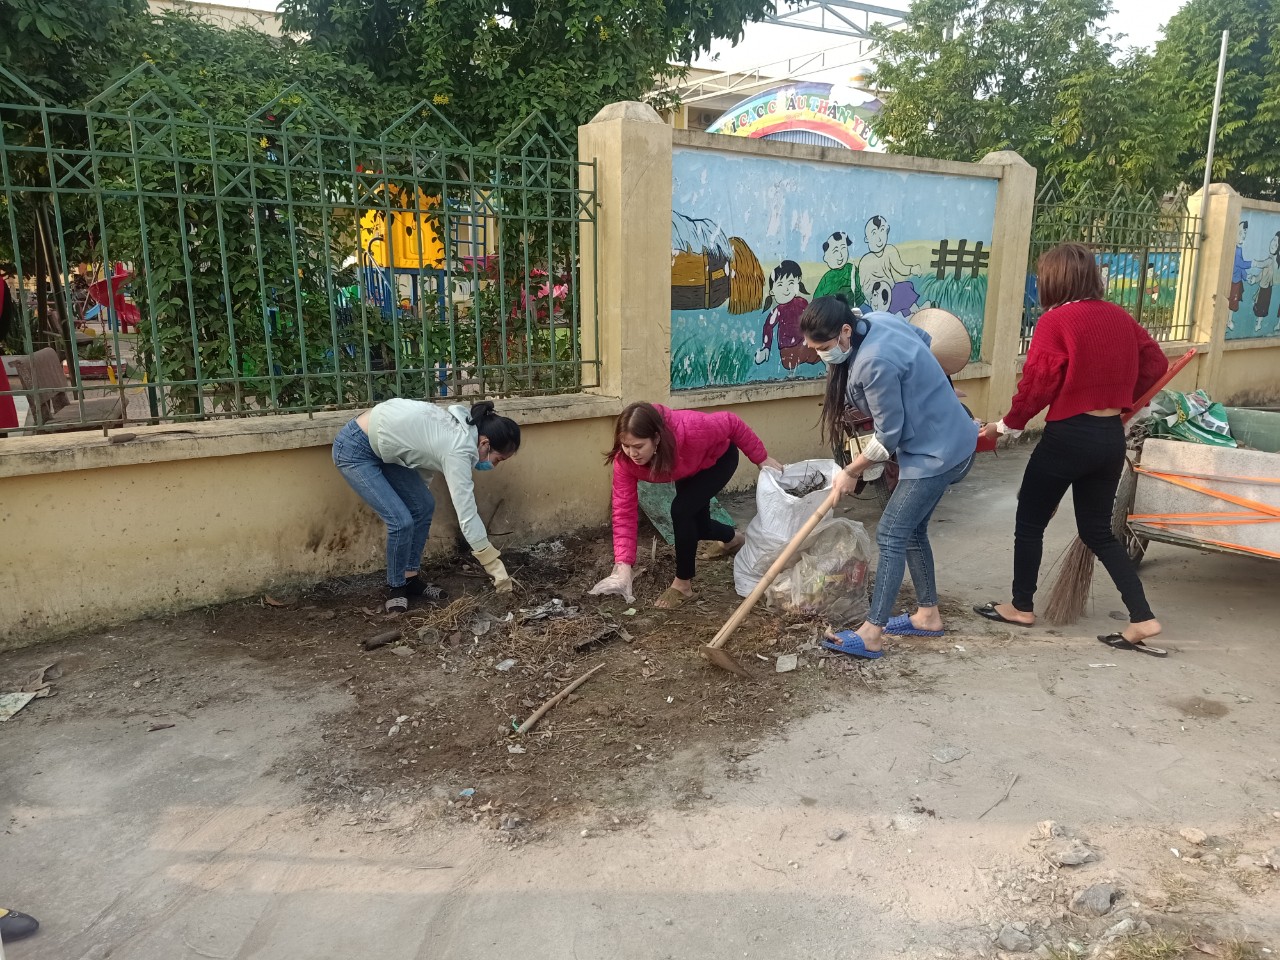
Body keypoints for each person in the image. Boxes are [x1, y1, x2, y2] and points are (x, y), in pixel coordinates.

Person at [975, 242, 1169, 657]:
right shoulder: (1121, 317)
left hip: (1068, 437)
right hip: (1109, 438)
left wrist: (1007, 425)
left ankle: (1021, 606)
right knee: (1097, 531)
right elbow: (1156, 364)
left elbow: (1038, 383)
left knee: (1030, 520)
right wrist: (1123, 402)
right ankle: (1142, 617)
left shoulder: (1055, 321)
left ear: (1054, 280)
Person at [801, 296, 978, 659]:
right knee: (911, 530)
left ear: (845, 331)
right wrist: (925, 392)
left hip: (938, 453)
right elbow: (923, 342)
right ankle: (927, 616)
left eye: (823, 347)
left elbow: (887, 437)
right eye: (814, 347)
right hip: (947, 436)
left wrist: (851, 471)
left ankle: (872, 632)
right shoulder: (878, 320)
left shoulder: (873, 362)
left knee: (892, 533)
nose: (820, 354)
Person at [589, 402, 782, 609]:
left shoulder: (692, 428)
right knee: (698, 525)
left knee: (682, 510)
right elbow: (623, 511)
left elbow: (731, 422)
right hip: (686, 467)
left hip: (717, 460)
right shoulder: (625, 461)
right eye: (626, 446)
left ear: (656, 438)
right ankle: (733, 539)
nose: (632, 453)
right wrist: (623, 566)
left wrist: (761, 458)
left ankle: (683, 585)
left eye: (638, 446)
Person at [332, 399, 518, 612]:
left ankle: (410, 578)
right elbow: (466, 512)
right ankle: (396, 587)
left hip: (384, 449)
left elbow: (424, 460)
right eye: (498, 459)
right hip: (355, 449)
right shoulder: (459, 447)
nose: (494, 465)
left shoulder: (463, 431)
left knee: (423, 506)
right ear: (485, 443)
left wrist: (416, 499)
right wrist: (492, 563)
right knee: (401, 522)